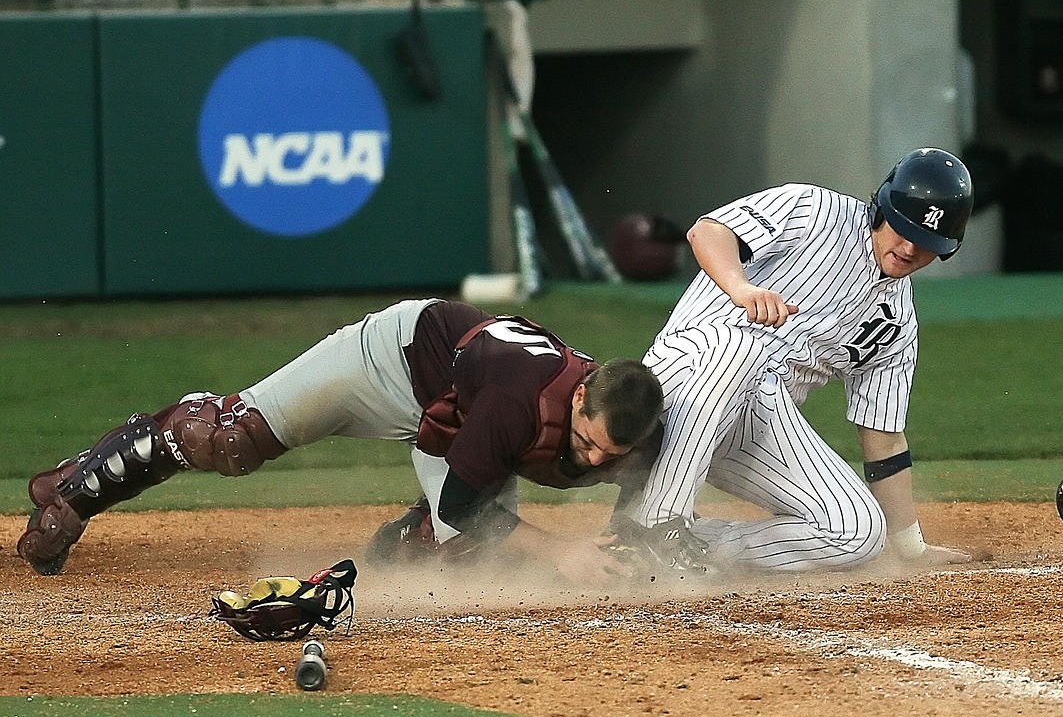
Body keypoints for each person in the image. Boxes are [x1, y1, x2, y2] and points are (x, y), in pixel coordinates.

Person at [17, 299, 664, 585]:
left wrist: (620, 542)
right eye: (590, 441)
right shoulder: (520, 400)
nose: (597, 459)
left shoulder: (622, 423)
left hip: (453, 416)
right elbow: (468, 502)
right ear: (580, 394)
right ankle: (71, 491)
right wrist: (560, 551)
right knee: (230, 443)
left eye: (612, 454)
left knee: (478, 563)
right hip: (389, 362)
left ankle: (409, 539)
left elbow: (641, 478)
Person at [608, 148, 980, 574]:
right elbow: (707, 232)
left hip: (754, 421)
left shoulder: (896, 324)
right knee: (743, 349)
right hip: (681, 382)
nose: (910, 247)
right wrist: (740, 288)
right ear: (882, 207)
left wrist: (911, 549)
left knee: (857, 533)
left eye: (928, 242)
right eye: (903, 227)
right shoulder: (814, 209)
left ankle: (695, 548)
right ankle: (651, 525)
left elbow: (884, 439)